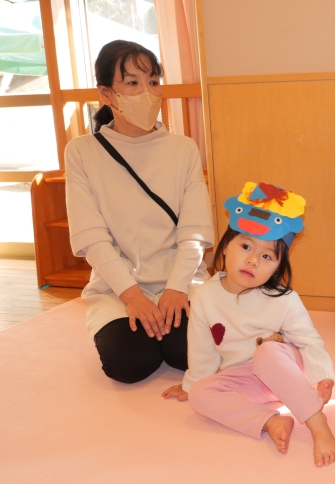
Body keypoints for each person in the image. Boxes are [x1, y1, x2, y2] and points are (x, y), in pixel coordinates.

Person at [162, 182, 335, 467]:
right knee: (200, 395)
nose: (252, 260)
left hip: (284, 370)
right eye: (245, 246)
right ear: (225, 247)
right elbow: (201, 348)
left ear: (277, 267)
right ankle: (271, 420)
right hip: (248, 380)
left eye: (266, 256)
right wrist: (192, 383)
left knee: (266, 352)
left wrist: (323, 376)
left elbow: (309, 340)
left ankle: (317, 423)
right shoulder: (204, 296)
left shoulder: (283, 299)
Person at [65, 40, 214, 384]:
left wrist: (176, 289)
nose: (146, 92)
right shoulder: (82, 152)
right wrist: (132, 297)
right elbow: (92, 237)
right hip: (117, 288)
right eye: (132, 83)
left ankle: (170, 325)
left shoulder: (183, 148)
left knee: (188, 354)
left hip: (181, 281)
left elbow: (194, 231)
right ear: (106, 93)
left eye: (153, 82)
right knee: (129, 363)